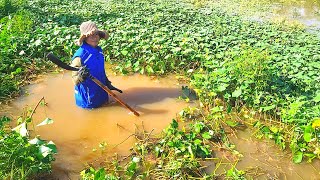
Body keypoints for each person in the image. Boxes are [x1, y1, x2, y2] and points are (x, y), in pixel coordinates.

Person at [71, 21, 122, 108]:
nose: (94, 37)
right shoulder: (80, 56)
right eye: (90, 35)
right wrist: (81, 76)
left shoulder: (99, 50)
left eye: (96, 34)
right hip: (89, 98)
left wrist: (108, 83)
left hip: (102, 91)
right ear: (84, 38)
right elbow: (75, 80)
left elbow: (101, 70)